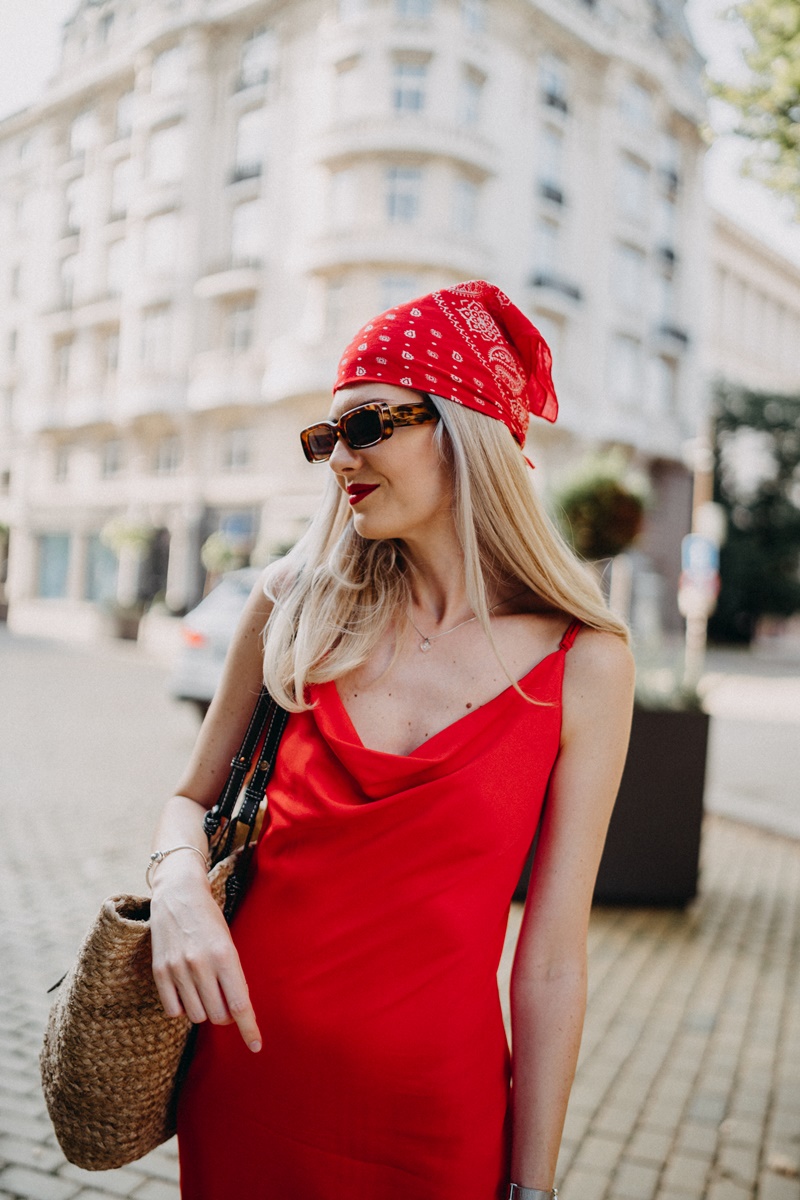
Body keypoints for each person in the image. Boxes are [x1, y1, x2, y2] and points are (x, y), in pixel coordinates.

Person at [149, 280, 635, 1200]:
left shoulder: (588, 663)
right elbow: (189, 799)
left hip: (434, 1126)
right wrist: (176, 884)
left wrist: (533, 1185)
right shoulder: (292, 608)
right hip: (246, 1094)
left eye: (369, 425)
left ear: (465, 427)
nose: (339, 459)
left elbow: (554, 954)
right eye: (325, 438)